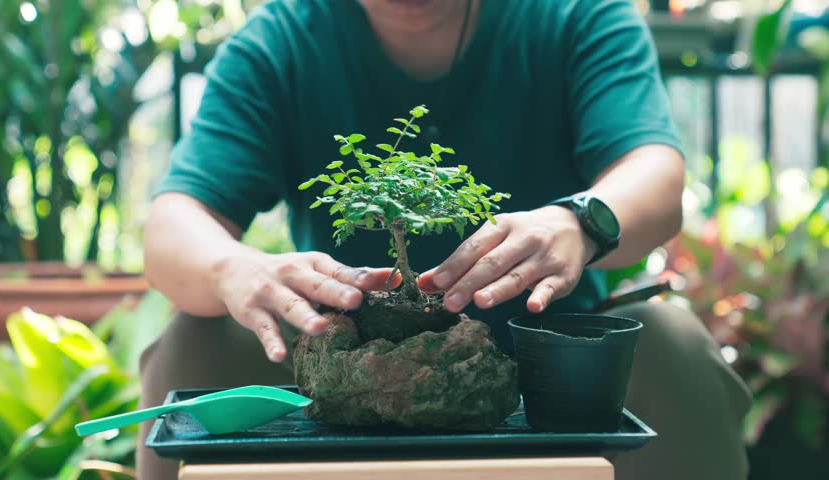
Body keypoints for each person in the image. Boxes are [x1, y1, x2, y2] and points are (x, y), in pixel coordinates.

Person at [139, 0, 752, 478]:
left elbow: (656, 176)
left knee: (670, 340)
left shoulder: (573, 15)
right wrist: (233, 267)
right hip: (347, 374)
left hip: (553, 377)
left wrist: (578, 220)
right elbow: (173, 225)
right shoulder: (281, 41)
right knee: (196, 339)